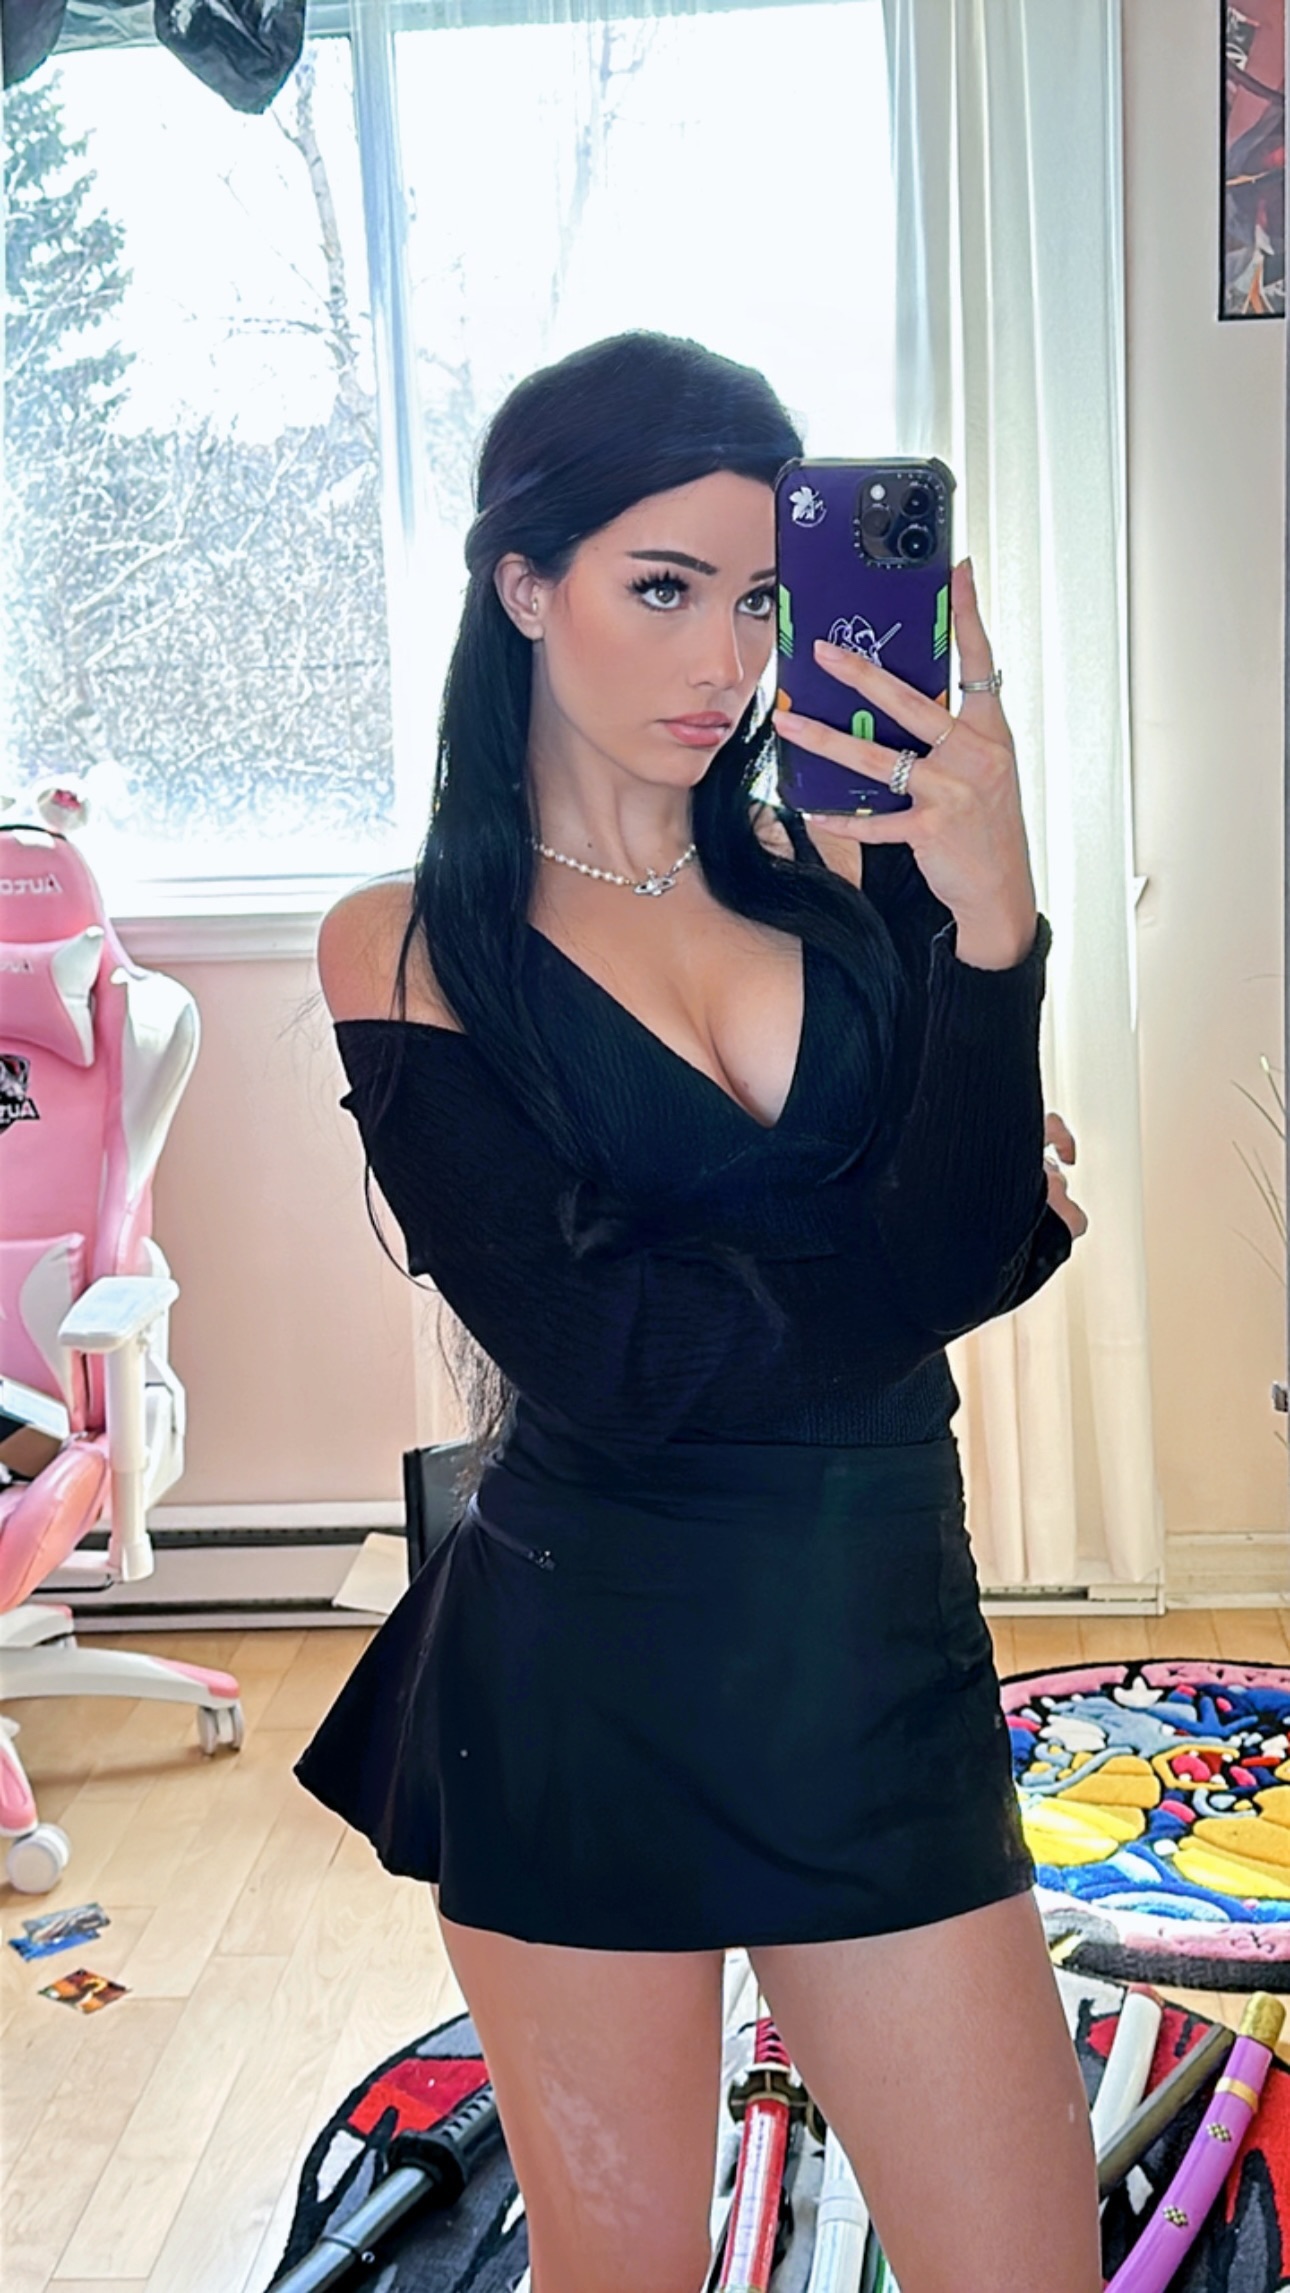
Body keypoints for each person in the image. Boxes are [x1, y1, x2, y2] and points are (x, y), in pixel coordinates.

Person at [294, 331, 1099, 2293]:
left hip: (877, 1658)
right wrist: (939, 1227)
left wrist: (992, 919)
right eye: (662, 586)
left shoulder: (853, 869)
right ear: (523, 582)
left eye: (758, 599)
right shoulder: (405, 943)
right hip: (586, 1679)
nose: (724, 659)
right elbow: (618, 1358)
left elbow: (978, 1239)